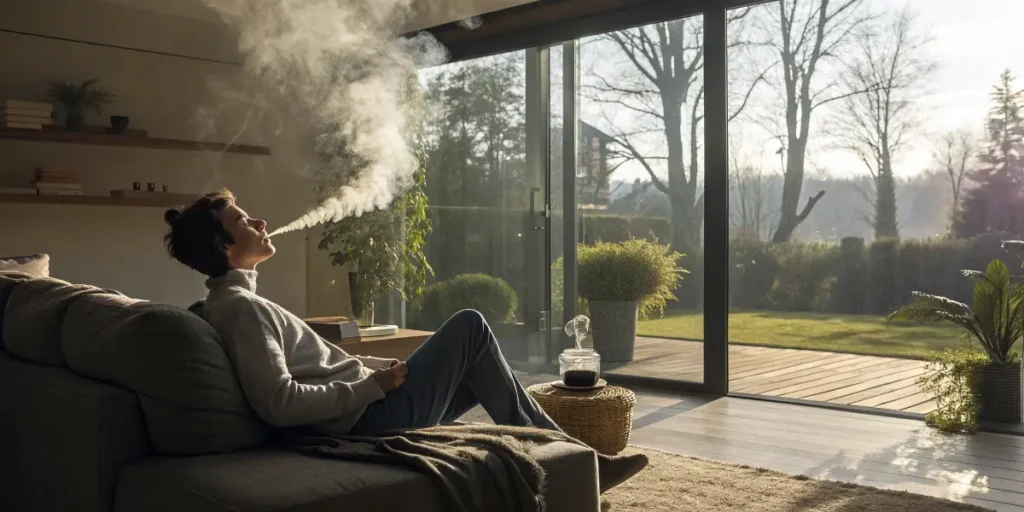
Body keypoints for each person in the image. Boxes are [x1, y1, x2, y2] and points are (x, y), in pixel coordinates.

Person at [163, 189, 647, 492]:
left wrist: (378, 369)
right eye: (244, 221)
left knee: (480, 362)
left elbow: (321, 364)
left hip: (364, 406)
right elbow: (279, 402)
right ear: (225, 246)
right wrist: (372, 388)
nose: (261, 223)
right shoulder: (243, 310)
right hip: (366, 418)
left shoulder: (233, 304)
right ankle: (579, 460)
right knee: (472, 325)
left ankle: (573, 458)